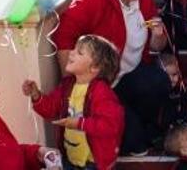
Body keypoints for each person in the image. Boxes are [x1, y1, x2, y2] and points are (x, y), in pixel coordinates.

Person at [53, 0, 169, 156]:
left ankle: (134, 122)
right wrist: (73, 81)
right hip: (102, 85)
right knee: (136, 143)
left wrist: (159, 35)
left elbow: (155, 47)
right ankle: (128, 129)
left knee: (159, 82)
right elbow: (64, 33)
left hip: (129, 76)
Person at [23, 35, 124, 170]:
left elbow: (110, 126)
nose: (71, 52)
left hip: (93, 164)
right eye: (74, 48)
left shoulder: (102, 93)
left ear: (94, 67)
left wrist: (79, 123)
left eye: (79, 52)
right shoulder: (67, 85)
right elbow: (50, 109)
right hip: (70, 159)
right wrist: (35, 94)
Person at [157, 53, 187, 135]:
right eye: (166, 75)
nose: (171, 79)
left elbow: (186, 111)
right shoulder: (155, 93)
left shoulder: (181, 91)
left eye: (174, 74)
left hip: (179, 130)